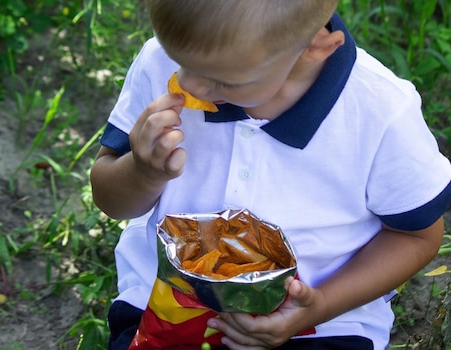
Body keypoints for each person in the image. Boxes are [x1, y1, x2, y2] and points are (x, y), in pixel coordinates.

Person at [89, 1, 451, 349]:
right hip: (168, 300)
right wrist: (142, 171)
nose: (189, 86)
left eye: (224, 81)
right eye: (179, 62)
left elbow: (415, 237)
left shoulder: (379, 112)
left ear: (315, 48)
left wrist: (321, 303)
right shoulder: (164, 59)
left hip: (320, 323)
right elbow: (112, 200)